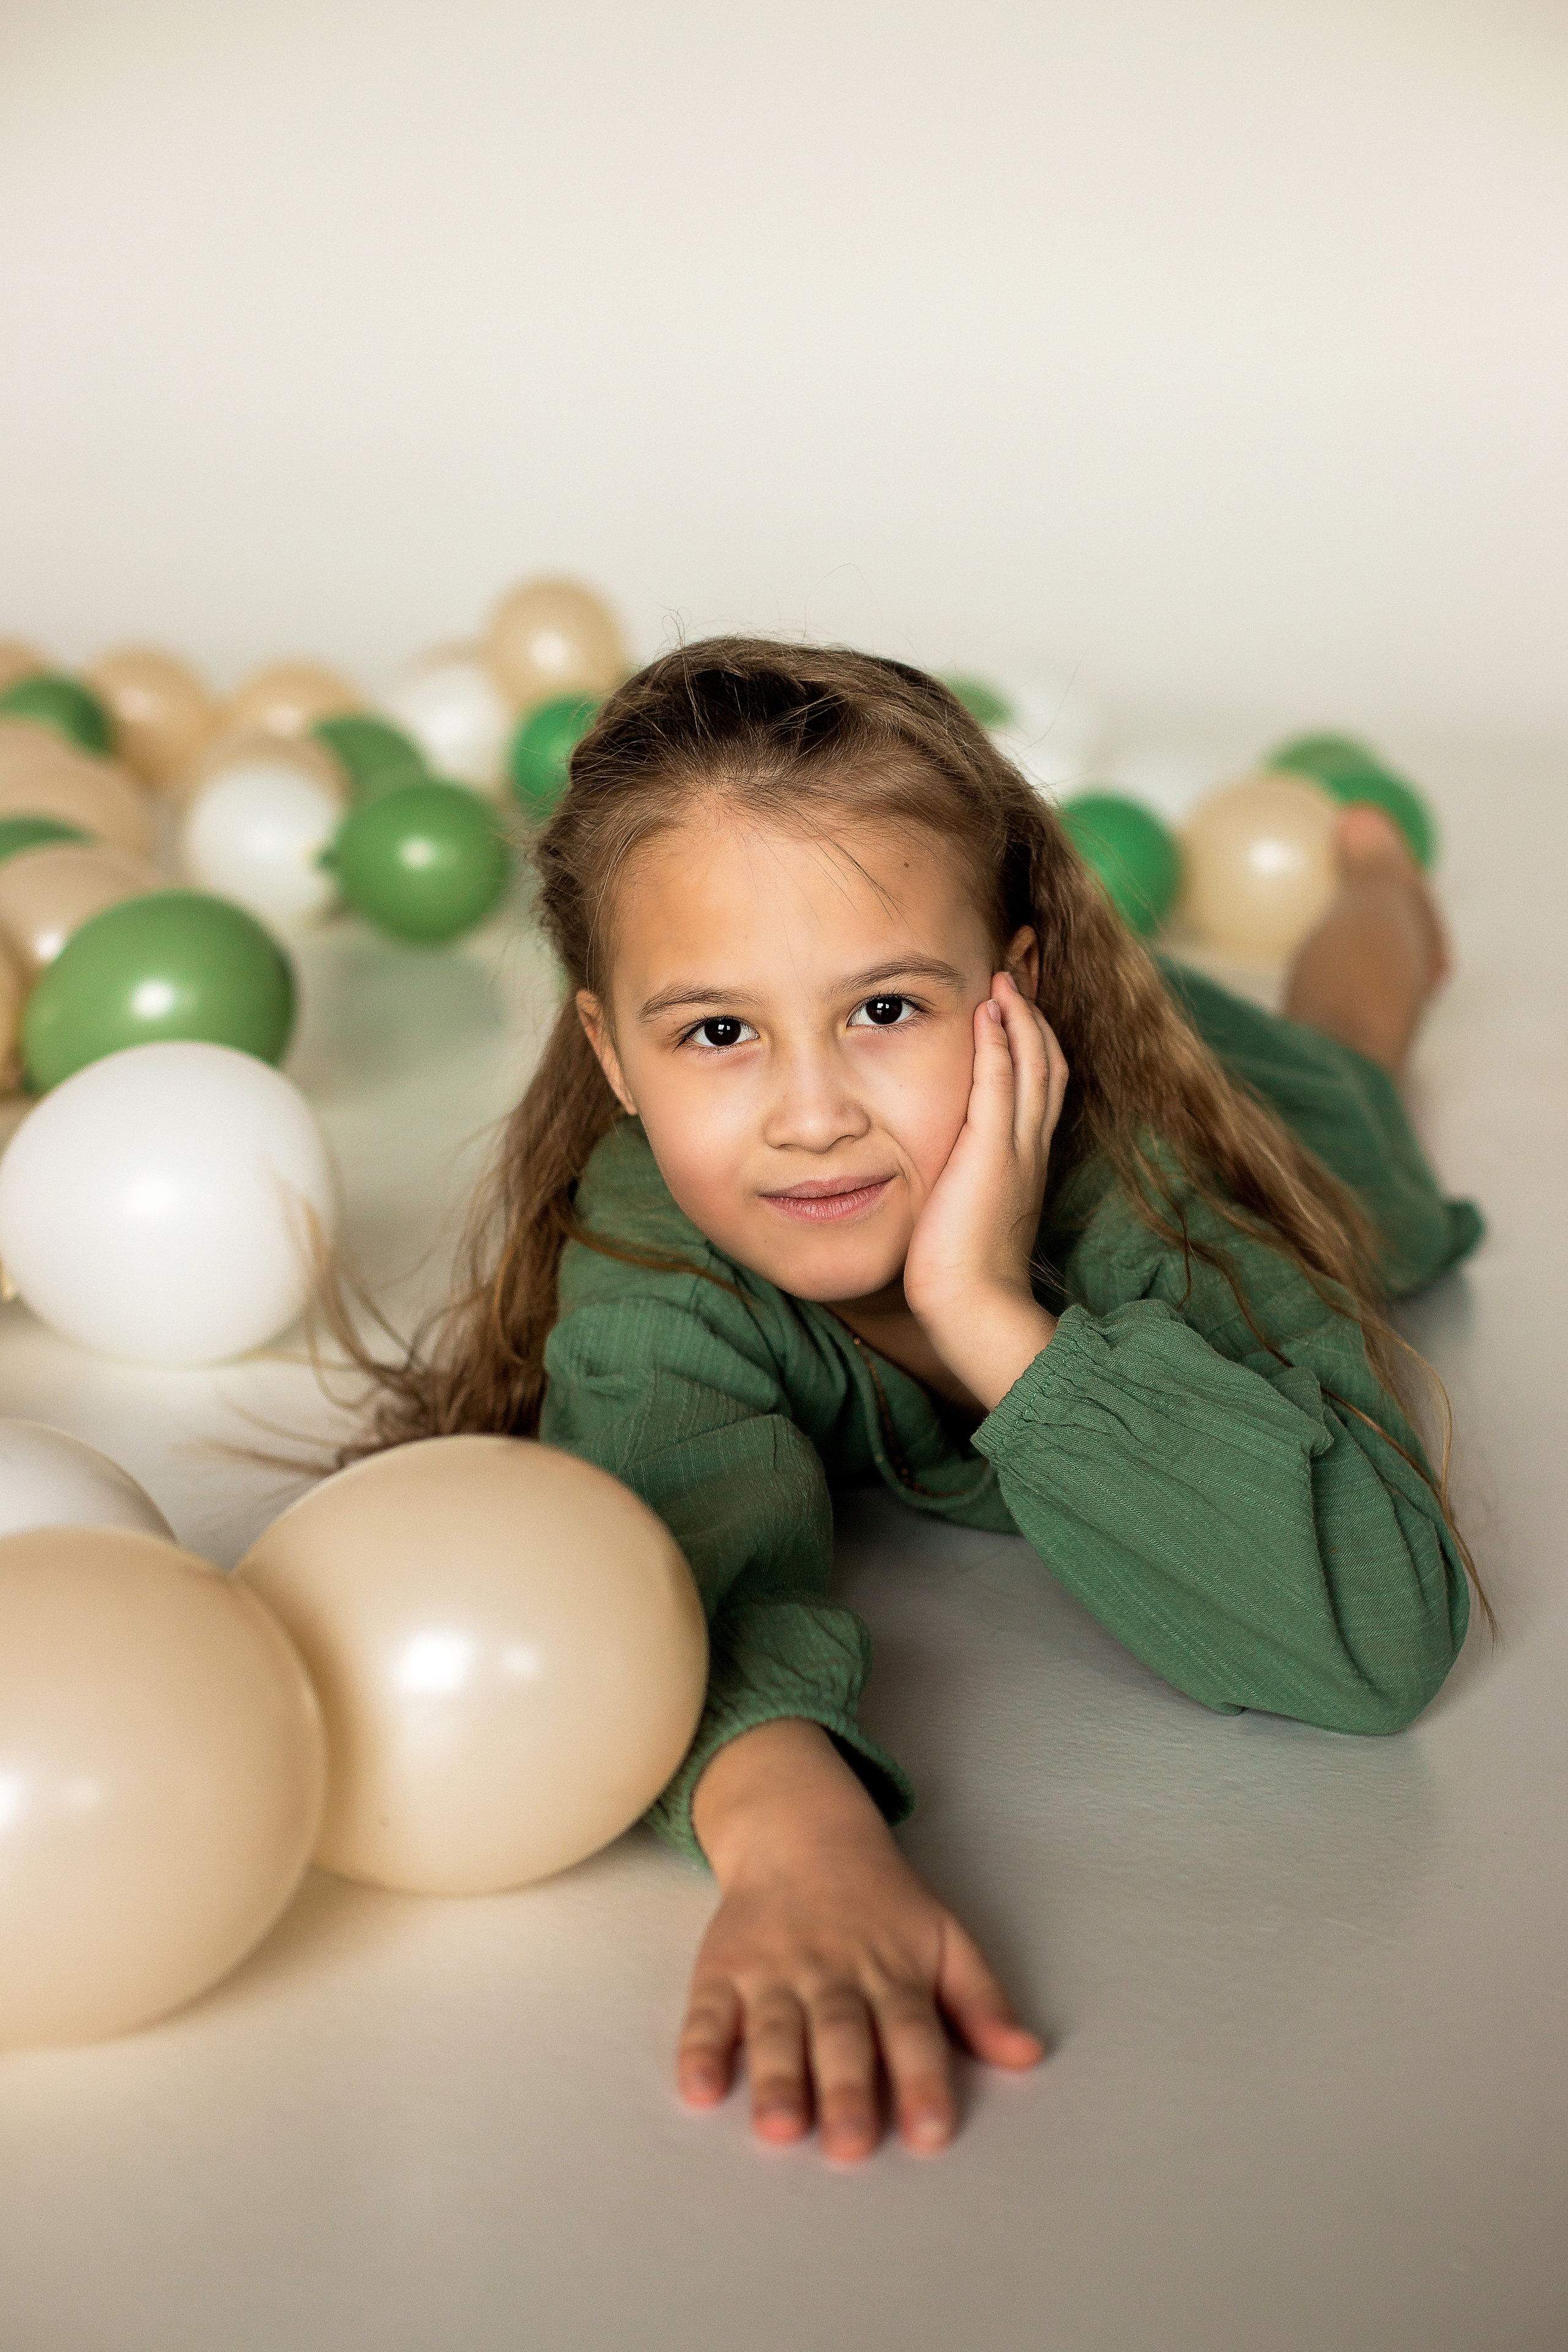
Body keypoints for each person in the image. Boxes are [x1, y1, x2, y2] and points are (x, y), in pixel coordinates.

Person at [349, 639, 1485, 2165]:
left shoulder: (1154, 1187)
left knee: (1358, 1079)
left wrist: (985, 1310)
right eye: (717, 1032)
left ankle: (1377, 893)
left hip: (1241, 1087)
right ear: (611, 1053)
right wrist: (794, 1837)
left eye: (884, 1009)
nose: (811, 1117)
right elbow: (667, 1558)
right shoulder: (652, 1235)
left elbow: (1366, 1640)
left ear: (1005, 1000)